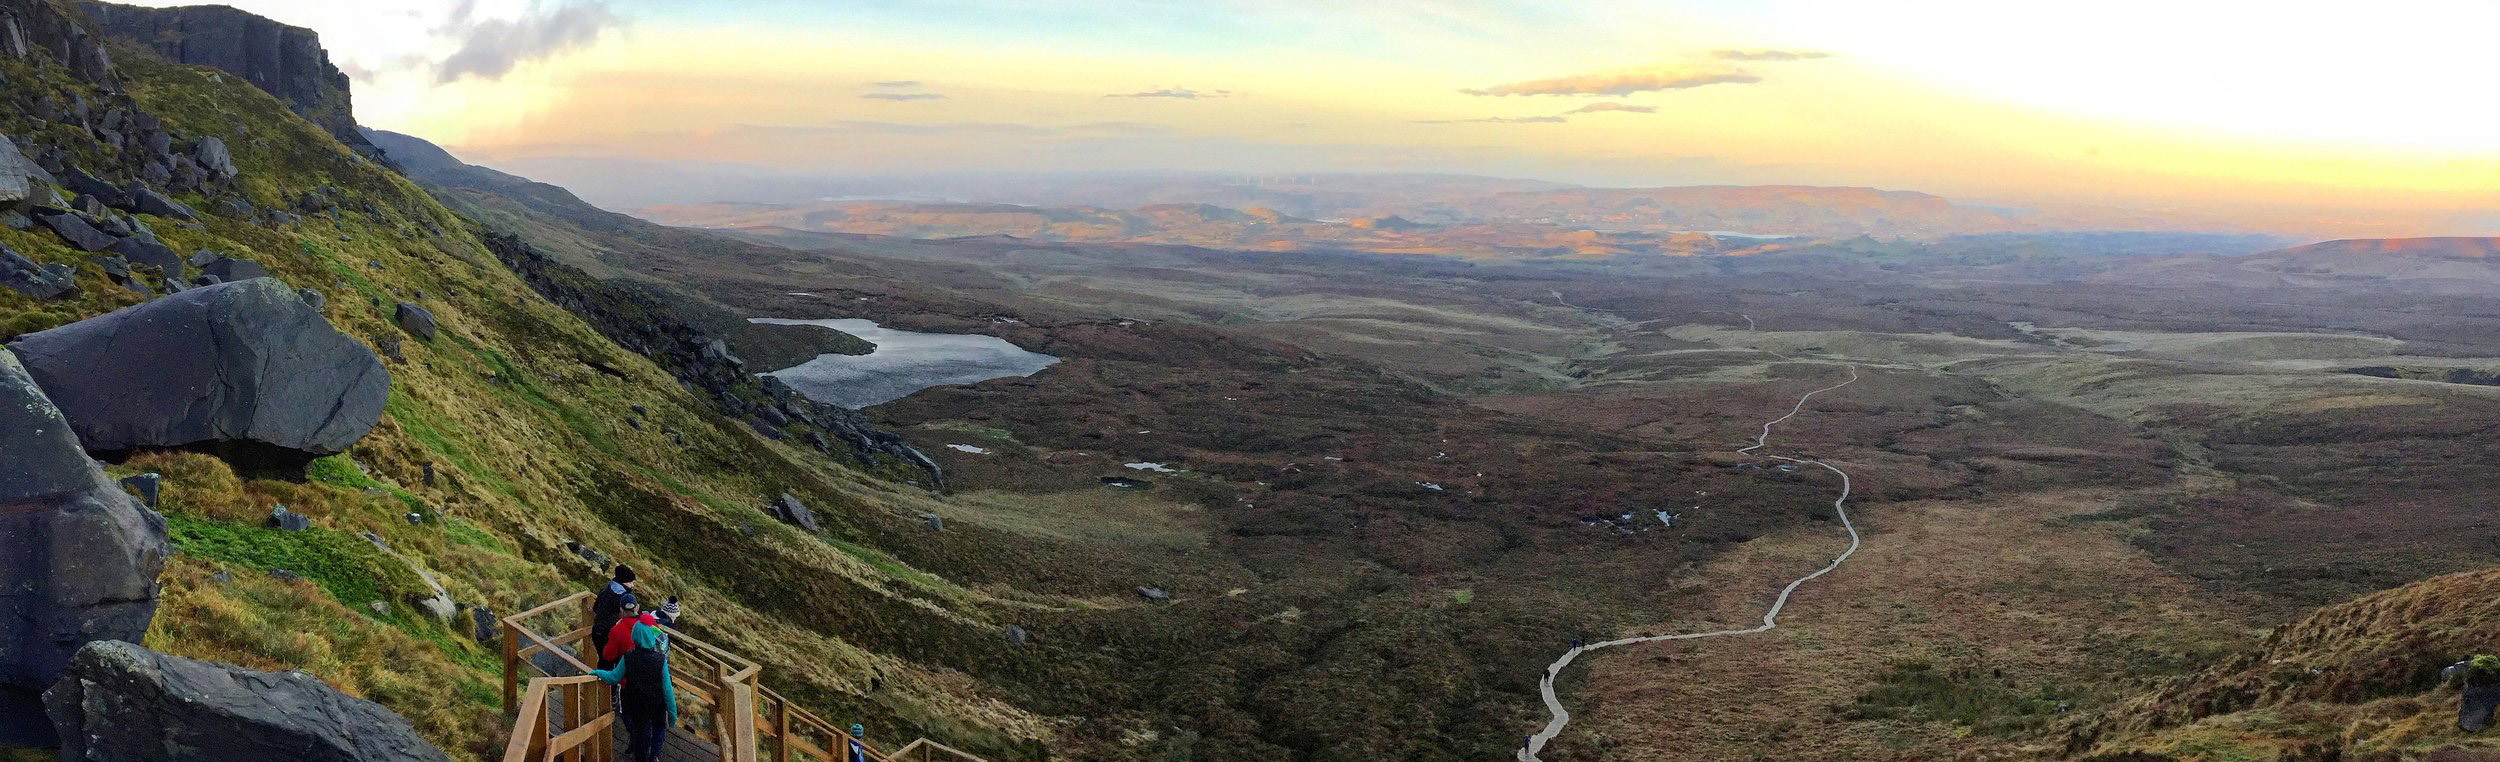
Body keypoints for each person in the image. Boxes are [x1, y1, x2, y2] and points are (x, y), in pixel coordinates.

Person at [590, 621, 676, 762]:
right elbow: (667, 690)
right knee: (659, 727)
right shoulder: (660, 661)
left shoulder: (628, 657)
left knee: (641, 733)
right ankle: (654, 756)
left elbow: (613, 677)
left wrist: (597, 672)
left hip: (637, 704)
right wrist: (672, 714)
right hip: (656, 705)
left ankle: (640, 758)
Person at [590, 565, 637, 660]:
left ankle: (600, 674)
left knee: (604, 661)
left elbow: (595, 608)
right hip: (609, 635)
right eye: (630, 582)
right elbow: (629, 617)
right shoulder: (622, 597)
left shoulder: (607, 589)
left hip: (597, 631)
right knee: (612, 662)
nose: (632, 585)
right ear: (623, 582)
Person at [602, 595, 658, 668]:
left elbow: (608, 656)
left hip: (626, 673)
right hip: (651, 670)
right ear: (637, 607)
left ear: (621, 610)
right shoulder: (650, 622)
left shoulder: (617, 630)